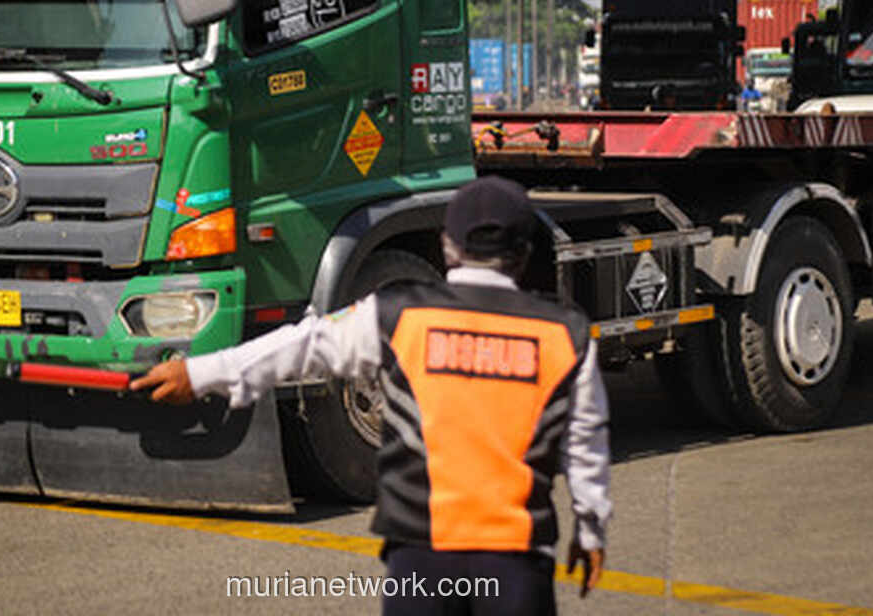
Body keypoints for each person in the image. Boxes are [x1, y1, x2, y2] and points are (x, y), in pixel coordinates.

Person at [131, 176, 612, 615]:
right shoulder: (564, 334)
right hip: (516, 563)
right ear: (525, 253)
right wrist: (590, 530)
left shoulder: (397, 314)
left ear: (448, 245)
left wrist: (197, 373)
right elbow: (586, 441)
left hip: (421, 556)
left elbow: (301, 347)